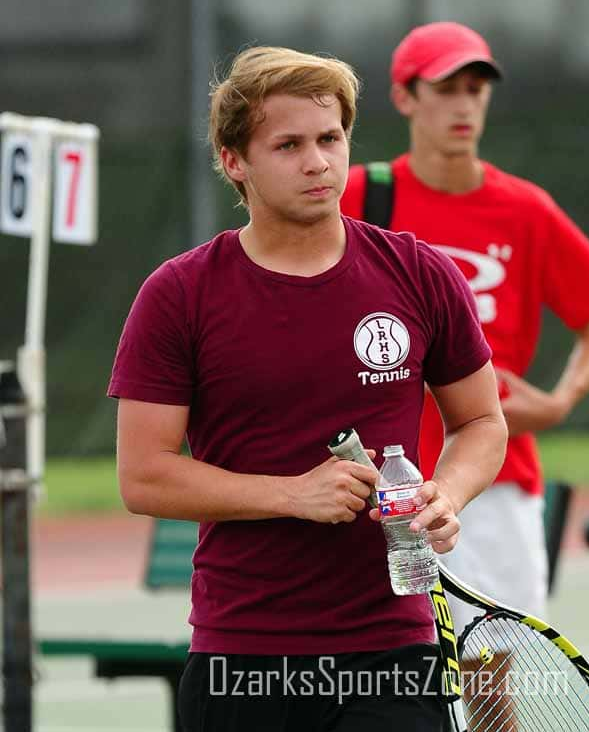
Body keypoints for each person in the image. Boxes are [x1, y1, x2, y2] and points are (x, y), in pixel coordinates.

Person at [109, 45, 507, 732]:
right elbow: (144, 477)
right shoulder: (178, 294)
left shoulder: (418, 272)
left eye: (330, 138)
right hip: (244, 657)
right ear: (236, 161)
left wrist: (449, 492)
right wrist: (290, 494)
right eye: (287, 145)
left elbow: (481, 424)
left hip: (396, 650)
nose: (318, 162)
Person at [341, 21, 589, 634]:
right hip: (371, 482)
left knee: (494, 680)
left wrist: (563, 399)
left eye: (476, 88)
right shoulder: (359, 196)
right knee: (383, 676)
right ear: (405, 97)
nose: (464, 104)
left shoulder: (525, 209)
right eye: (446, 87)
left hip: (493, 484)